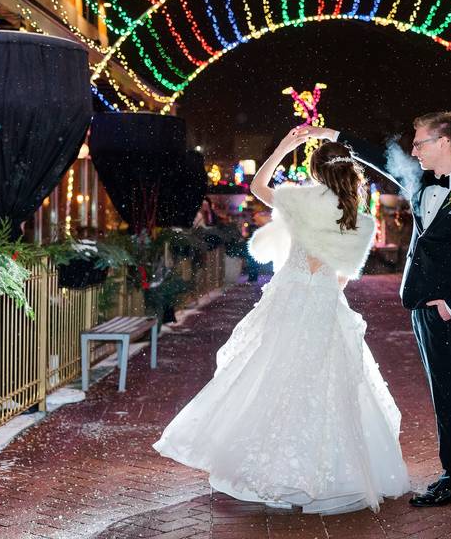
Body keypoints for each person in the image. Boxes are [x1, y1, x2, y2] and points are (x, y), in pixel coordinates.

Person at [153, 128, 410, 514]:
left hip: (288, 300)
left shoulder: (298, 201)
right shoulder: (361, 221)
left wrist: (284, 146)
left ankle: (274, 471)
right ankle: (327, 474)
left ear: (316, 171)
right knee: (328, 386)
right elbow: (341, 276)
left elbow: (259, 185)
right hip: (324, 304)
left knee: (270, 376)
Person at [300, 111, 451, 507]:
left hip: (443, 310)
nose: (413, 150)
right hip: (418, 302)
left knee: (445, 392)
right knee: (448, 388)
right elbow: (376, 155)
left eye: (420, 142)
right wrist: (331, 132)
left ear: (444, 142)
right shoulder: (418, 181)